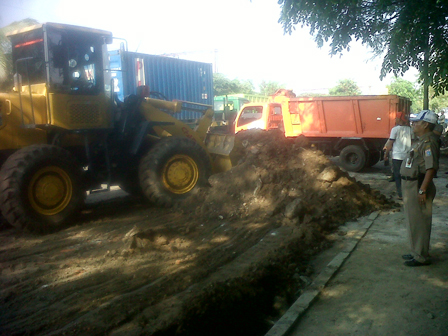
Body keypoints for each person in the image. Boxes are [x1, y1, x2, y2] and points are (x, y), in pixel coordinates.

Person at [400, 110, 439, 267]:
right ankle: (416, 251)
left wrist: (422, 190)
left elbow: (431, 168)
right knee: (413, 221)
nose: (413, 124)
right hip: (411, 185)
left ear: (426, 124)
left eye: (417, 122)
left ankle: (421, 256)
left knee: (420, 222)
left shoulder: (429, 141)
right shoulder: (421, 140)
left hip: (419, 185)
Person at [383, 112, 414, 199]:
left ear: (400, 119)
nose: (395, 119)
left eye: (396, 118)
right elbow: (414, 142)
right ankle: (407, 193)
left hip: (397, 157)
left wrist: (386, 154)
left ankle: (400, 194)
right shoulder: (410, 130)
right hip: (408, 157)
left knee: (397, 175)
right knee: (407, 175)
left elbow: (390, 143)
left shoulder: (395, 130)